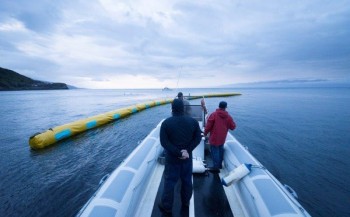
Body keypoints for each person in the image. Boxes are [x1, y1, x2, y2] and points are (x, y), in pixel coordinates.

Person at [159, 99, 202, 216]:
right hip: (187, 159)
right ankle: (186, 203)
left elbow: (164, 142)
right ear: (183, 108)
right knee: (187, 181)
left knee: (169, 183)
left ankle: (167, 207)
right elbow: (198, 138)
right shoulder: (193, 122)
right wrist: (187, 151)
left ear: (172, 108)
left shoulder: (166, 123)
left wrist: (178, 153)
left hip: (172, 160)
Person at [204, 101, 236, 170]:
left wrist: (205, 133)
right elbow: (233, 127)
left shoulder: (214, 114)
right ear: (226, 107)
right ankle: (220, 165)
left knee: (214, 152)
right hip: (222, 138)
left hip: (214, 138)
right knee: (220, 150)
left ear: (219, 106)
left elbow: (208, 126)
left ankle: (216, 167)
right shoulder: (228, 117)